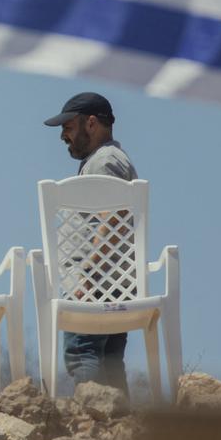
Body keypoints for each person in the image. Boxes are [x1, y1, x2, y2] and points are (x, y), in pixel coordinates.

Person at [44, 91, 137, 395]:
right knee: (109, 360)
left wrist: (87, 271)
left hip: (95, 285)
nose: (63, 136)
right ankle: (118, 428)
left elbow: (116, 217)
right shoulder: (108, 160)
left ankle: (92, 420)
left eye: (68, 127)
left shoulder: (104, 162)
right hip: (113, 282)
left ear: (92, 123)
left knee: (82, 351)